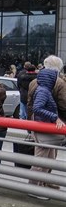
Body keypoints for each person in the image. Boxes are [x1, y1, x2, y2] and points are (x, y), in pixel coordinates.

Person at [28, 66, 66, 199]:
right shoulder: (44, 91)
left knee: (47, 159)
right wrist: (54, 117)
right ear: (51, 79)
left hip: (44, 128)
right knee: (41, 160)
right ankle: (34, 188)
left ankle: (41, 185)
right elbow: (37, 108)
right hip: (43, 130)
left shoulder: (43, 89)